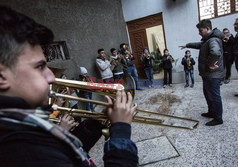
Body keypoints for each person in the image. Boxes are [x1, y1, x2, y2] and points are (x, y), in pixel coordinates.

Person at [0, 6, 138, 167]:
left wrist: (98, 121)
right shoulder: (22, 149)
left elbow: (68, 153)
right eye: (39, 67)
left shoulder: (24, 128)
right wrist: (121, 130)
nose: (51, 77)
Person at [179, 19, 224, 126]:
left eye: (201, 30)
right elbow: (199, 45)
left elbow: (215, 52)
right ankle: (212, 112)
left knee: (214, 96)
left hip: (213, 74)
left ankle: (218, 118)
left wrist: (210, 63)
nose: (199, 32)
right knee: (208, 93)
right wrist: (187, 45)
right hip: (207, 74)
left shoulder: (213, 40)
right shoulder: (207, 40)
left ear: (208, 28)